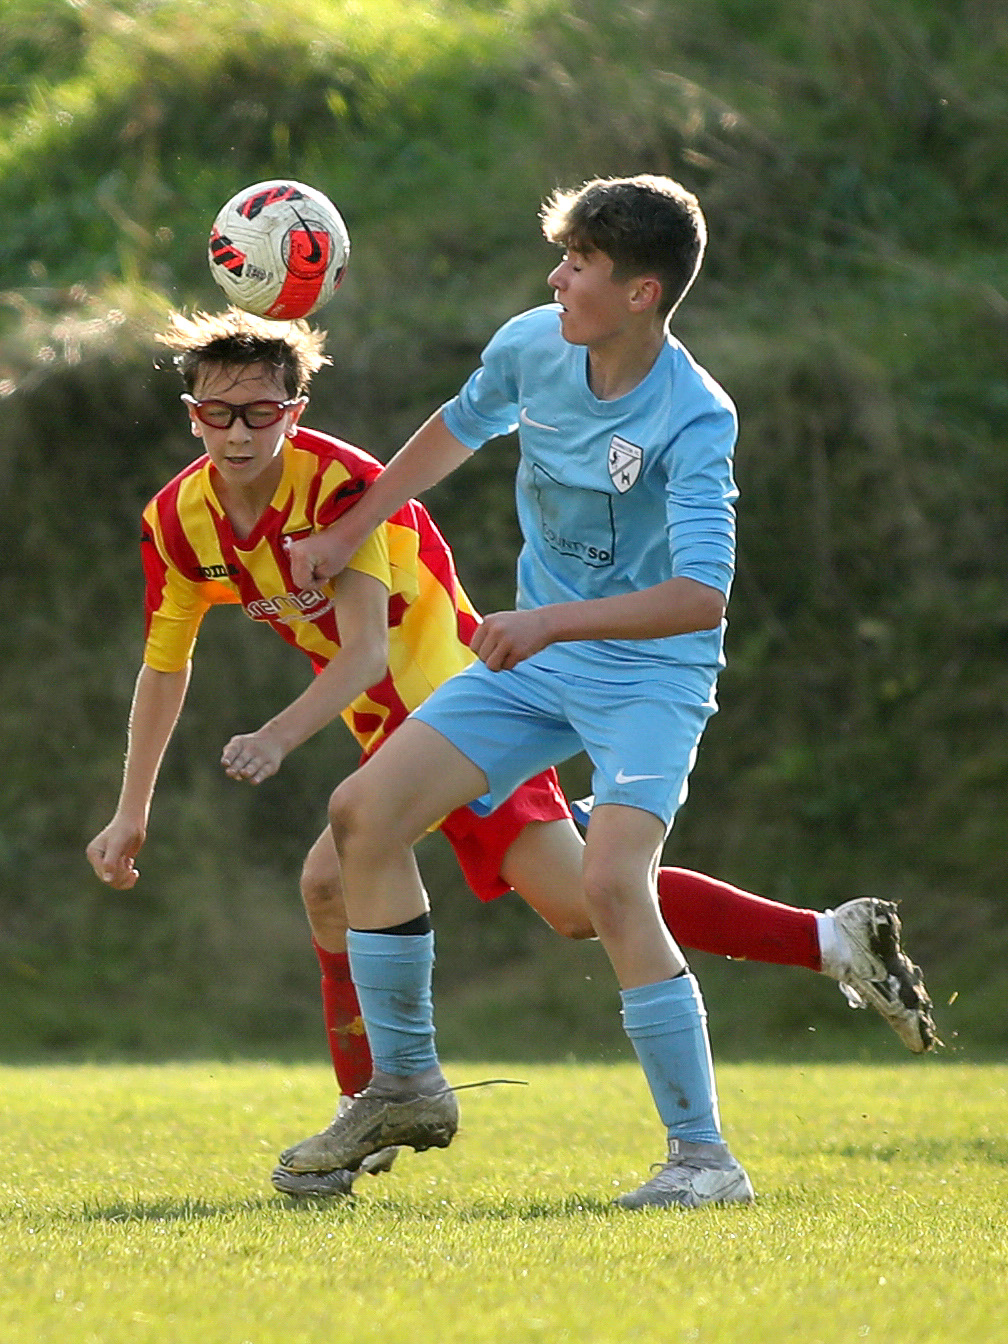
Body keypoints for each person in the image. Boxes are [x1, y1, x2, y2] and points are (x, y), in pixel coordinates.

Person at [85, 303, 936, 1206]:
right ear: (192, 415)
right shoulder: (177, 520)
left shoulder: (340, 487)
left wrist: (277, 736)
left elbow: (366, 653)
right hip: (397, 731)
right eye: (217, 412)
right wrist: (132, 811)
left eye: (260, 412)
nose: (238, 432)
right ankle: (825, 940)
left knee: (563, 895)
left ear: (293, 412)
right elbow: (164, 665)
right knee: (524, 894)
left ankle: (389, 1103)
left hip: (463, 709)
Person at [272, 175, 935, 1210]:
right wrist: (350, 529)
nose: (556, 278)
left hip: (648, 677)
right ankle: (403, 1087)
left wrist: (548, 622)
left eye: (579, 263)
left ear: (641, 292)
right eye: (562, 257)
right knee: (363, 815)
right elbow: (458, 426)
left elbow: (701, 597)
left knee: (614, 884)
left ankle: (705, 1162)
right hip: (539, 660)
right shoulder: (533, 346)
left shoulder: (695, 416)